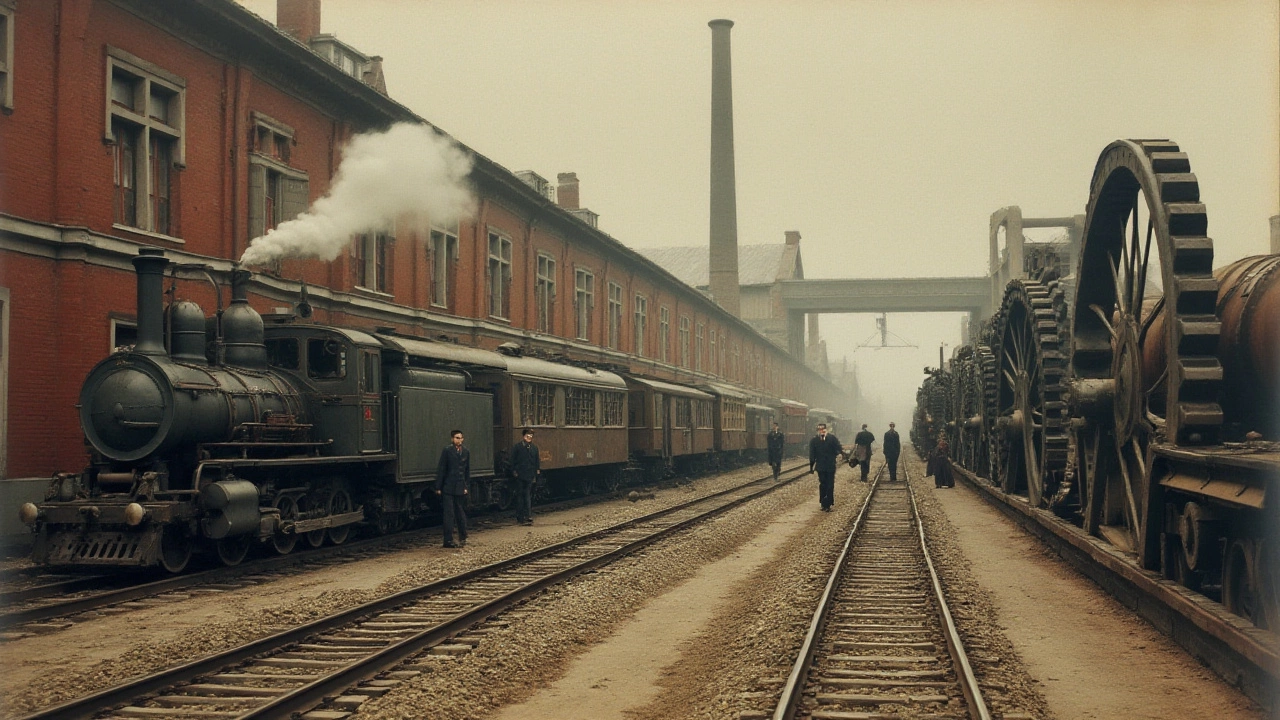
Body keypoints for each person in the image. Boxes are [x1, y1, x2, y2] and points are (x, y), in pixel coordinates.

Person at [435, 429, 470, 547]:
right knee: (449, 514)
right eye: (457, 438)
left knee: (460, 512)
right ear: (452, 439)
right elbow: (442, 469)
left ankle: (463, 536)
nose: (459, 440)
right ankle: (448, 540)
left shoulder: (465, 452)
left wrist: (466, 486)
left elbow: (467, 471)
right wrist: (438, 486)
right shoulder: (447, 451)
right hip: (448, 487)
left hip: (460, 486)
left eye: (460, 438)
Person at [808, 423, 845, 511]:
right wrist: (811, 467)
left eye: (822, 430)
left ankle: (826, 503)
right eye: (820, 430)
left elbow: (812, 455)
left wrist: (811, 467)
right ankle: (825, 503)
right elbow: (812, 455)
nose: (821, 431)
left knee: (826, 484)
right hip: (825, 466)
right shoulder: (820, 440)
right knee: (826, 484)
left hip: (826, 465)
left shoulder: (819, 440)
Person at [509, 428, 540, 525]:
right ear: (524, 436)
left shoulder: (534, 448)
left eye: (531, 436)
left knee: (527, 495)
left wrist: (536, 471)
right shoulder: (517, 447)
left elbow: (536, 461)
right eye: (528, 436)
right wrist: (514, 471)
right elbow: (512, 460)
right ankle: (520, 517)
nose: (529, 438)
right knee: (520, 496)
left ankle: (528, 515)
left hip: (530, 475)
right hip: (520, 475)